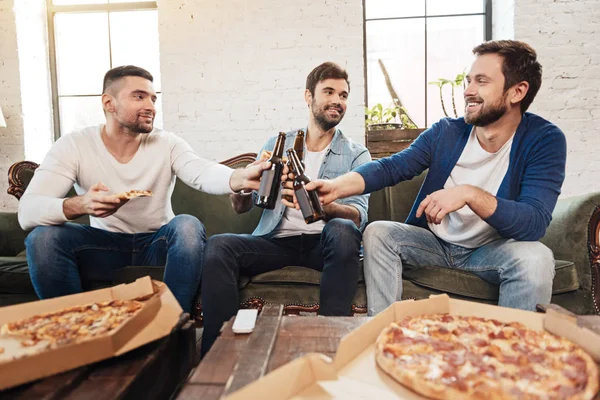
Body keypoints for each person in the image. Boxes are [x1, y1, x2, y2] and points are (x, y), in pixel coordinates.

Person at [306, 40, 566, 315]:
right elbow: (391, 168)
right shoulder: (447, 133)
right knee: (378, 233)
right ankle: (383, 336)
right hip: (434, 245)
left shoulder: (544, 140)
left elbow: (534, 222)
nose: (468, 91)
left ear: (517, 91)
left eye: (481, 81)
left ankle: (510, 353)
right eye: (468, 81)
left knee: (536, 259)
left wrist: (469, 194)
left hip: (491, 251)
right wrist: (334, 188)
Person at [19, 65, 270, 313]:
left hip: (157, 245)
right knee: (42, 238)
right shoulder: (74, 145)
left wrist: (240, 177)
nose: (150, 106)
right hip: (103, 248)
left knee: (187, 226)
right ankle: (75, 332)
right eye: (139, 96)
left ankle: (168, 326)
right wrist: (80, 204)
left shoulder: (167, 142)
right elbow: (27, 211)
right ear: (109, 103)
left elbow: (201, 172)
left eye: (153, 98)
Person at [200, 62, 371, 355]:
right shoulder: (278, 144)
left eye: (343, 95)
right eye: (328, 92)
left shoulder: (357, 154)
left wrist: (323, 202)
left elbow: (359, 216)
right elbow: (242, 207)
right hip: (276, 242)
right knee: (218, 246)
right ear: (308, 96)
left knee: (343, 230)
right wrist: (245, 181)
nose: (337, 101)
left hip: (326, 244)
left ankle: (329, 347)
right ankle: (220, 353)